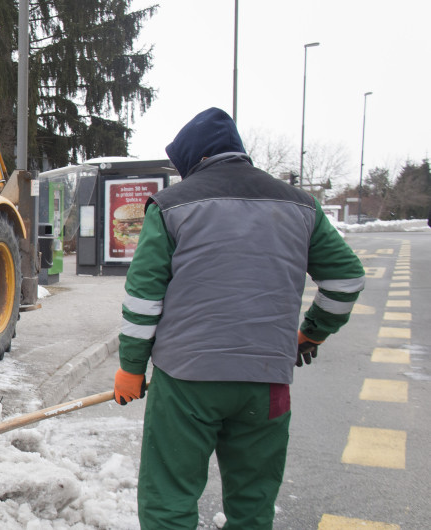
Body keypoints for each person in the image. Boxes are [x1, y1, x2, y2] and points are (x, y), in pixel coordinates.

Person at [112, 107, 365, 529]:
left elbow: (143, 300)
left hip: (186, 382)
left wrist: (130, 367)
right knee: (252, 505)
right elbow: (346, 282)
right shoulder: (302, 206)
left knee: (169, 498)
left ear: (193, 158)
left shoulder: (172, 206)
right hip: (266, 383)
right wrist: (311, 334)